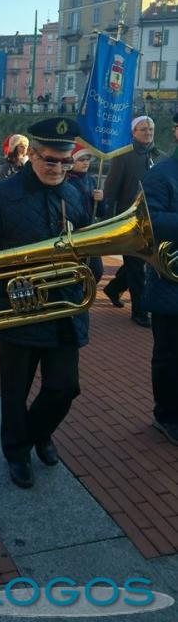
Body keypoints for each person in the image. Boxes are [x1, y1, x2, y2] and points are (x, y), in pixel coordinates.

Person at [0, 117, 90, 488]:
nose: (58, 169)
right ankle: (16, 452)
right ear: (32, 155)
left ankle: (37, 434)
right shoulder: (1, 195)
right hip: (18, 309)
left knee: (65, 387)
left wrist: (92, 269)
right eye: (51, 160)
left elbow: (87, 239)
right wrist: (11, 278)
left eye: (65, 162)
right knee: (15, 391)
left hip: (65, 308)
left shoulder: (75, 193)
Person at [103, 115, 165, 327]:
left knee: (140, 263)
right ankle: (139, 311)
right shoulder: (123, 157)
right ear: (133, 133)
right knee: (138, 267)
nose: (148, 132)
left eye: (151, 128)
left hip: (156, 221)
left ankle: (113, 288)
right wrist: (108, 221)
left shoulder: (161, 157)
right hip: (130, 222)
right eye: (143, 129)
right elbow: (110, 190)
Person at [141, 112, 178, 445]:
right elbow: (151, 221)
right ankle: (165, 416)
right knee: (168, 354)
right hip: (169, 282)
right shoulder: (161, 174)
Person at [67, 143, 105, 283]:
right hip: (73, 233)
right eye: (81, 160)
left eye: (88, 159)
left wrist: (101, 199)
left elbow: (101, 212)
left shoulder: (92, 180)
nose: (86, 163)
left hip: (89, 232)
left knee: (96, 271)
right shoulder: (65, 180)